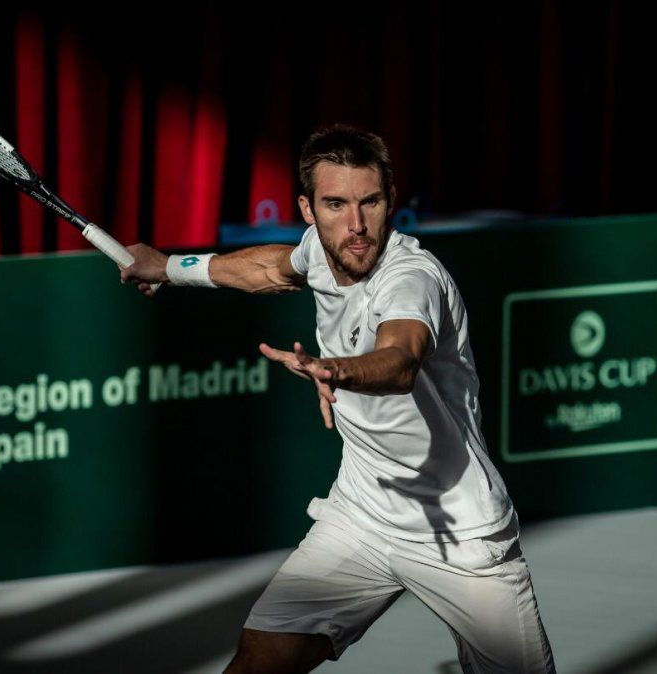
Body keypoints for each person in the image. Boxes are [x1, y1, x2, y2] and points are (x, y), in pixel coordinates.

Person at [120, 125, 556, 674]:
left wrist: (335, 370)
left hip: (461, 534)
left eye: (370, 202)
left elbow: (399, 361)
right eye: (335, 204)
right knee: (260, 659)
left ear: (390, 201)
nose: (355, 226)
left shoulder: (412, 278)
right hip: (362, 515)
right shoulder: (321, 252)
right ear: (307, 208)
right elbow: (270, 270)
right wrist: (170, 267)